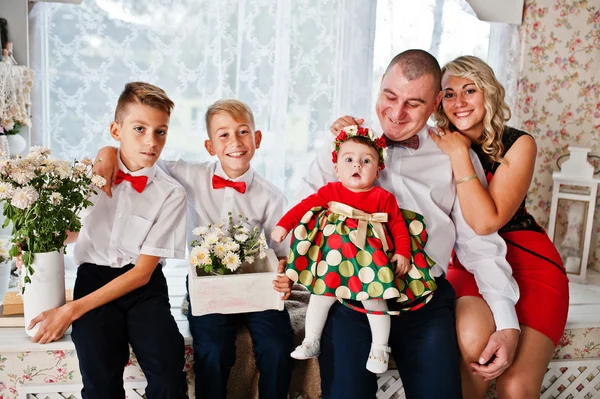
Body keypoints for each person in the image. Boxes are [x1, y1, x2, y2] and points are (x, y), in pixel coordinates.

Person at [309, 49, 520, 398]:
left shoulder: (455, 154)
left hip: (426, 300)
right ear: (379, 87)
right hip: (351, 300)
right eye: (390, 97)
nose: (396, 113)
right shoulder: (341, 145)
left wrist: (508, 323)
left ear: (437, 101)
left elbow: (479, 246)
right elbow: (304, 216)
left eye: (413, 103)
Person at [93, 99, 294, 399]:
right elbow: (143, 157)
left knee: (278, 345)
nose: (235, 142)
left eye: (243, 132)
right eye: (223, 135)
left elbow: (281, 252)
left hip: (256, 285)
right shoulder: (189, 175)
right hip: (208, 284)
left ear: (257, 139)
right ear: (210, 146)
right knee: (213, 348)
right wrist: (106, 151)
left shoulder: (271, 195)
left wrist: (284, 272)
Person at [28, 82, 189, 398]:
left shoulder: (171, 193)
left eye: (161, 132)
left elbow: (142, 273)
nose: (151, 141)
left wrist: (70, 311)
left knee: (168, 373)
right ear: (116, 130)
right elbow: (69, 230)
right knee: (99, 376)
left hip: (144, 286)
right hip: (93, 279)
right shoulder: (87, 177)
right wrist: (35, 243)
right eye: (139, 129)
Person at [430, 55, 569, 398]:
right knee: (476, 359)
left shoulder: (519, 144)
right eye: (448, 93)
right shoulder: (432, 144)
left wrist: (460, 153)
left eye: (469, 90)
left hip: (531, 265)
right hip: (469, 264)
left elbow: (485, 220)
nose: (459, 102)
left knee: (516, 385)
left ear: (487, 93)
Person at [273, 126, 436, 374]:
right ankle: (311, 340)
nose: (356, 166)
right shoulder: (331, 191)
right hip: (334, 262)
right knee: (320, 296)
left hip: (369, 262)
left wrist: (402, 251)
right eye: (349, 160)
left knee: (375, 300)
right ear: (337, 167)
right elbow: (304, 207)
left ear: (378, 168)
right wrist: (284, 225)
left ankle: (380, 347)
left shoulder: (383, 197)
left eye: (366, 160)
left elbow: (398, 226)